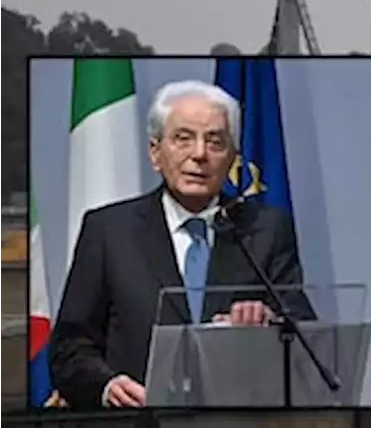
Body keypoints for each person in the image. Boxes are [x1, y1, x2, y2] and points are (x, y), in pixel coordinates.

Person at [50, 80, 315, 409]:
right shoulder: (108, 230)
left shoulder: (266, 229)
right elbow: (69, 348)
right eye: (183, 139)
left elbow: (306, 334)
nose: (199, 154)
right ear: (155, 153)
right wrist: (106, 385)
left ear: (232, 157)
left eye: (215, 142)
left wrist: (269, 322)